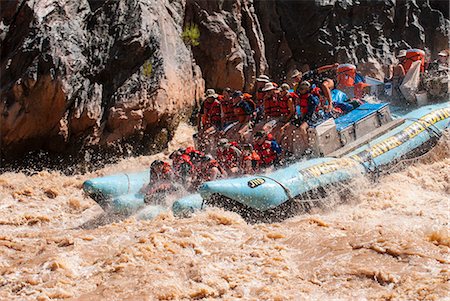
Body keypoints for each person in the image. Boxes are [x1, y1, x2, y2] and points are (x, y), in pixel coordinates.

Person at [293, 81, 320, 147]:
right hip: (303, 117)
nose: (300, 91)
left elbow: (311, 111)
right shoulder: (301, 97)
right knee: (289, 127)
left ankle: (308, 147)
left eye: (302, 89)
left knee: (302, 128)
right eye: (300, 89)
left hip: (311, 117)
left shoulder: (311, 98)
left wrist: (304, 118)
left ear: (307, 89)